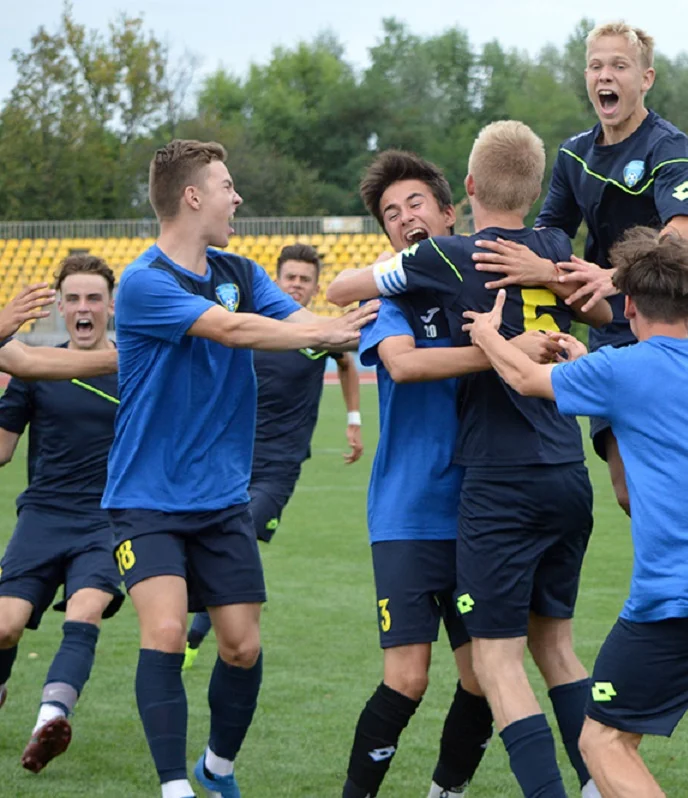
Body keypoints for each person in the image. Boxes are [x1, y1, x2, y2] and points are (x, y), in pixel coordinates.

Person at [464, 227, 688, 798]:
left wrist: (487, 334)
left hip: (678, 599)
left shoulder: (622, 370)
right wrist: (590, 365)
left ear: (627, 304)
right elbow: (646, 391)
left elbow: (524, 376)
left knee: (602, 742)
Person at [328, 122, 610, 798]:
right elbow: (401, 363)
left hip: (484, 502)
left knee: (488, 673)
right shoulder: (395, 296)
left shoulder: (463, 263)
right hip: (410, 508)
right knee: (410, 678)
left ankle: (445, 790)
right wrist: (508, 345)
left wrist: (510, 334)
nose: (404, 218)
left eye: (416, 204)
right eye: (391, 213)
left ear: (454, 206)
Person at [103, 139, 375, 798]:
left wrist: (346, 326)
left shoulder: (243, 270)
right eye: (227, 185)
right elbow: (232, 331)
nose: (238, 197)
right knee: (167, 631)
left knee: (241, 647)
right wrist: (327, 334)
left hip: (222, 498)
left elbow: (300, 319)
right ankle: (174, 788)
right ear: (193, 196)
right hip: (146, 495)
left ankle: (217, 768)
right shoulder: (144, 283)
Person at [470, 21, 688, 535]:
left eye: (618, 65)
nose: (604, 75)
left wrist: (616, 276)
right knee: (630, 493)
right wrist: (508, 255)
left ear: (646, 79)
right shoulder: (574, 155)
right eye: (595, 66)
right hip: (616, 325)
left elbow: (681, 232)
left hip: (681, 315)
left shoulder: (668, 145)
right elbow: (549, 235)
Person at [183, 242, 364, 669]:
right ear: (277, 280)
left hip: (280, 464)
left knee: (239, 537)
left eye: (305, 280)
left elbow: (347, 364)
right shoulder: (251, 324)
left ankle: (193, 637)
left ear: (316, 286)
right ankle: (198, 625)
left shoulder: (320, 331)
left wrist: (353, 417)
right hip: (229, 456)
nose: (297, 285)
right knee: (217, 542)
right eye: (290, 278)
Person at [0, 255, 124, 775]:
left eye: (93, 297)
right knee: (5, 628)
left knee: (85, 611)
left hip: (107, 521)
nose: (83, 307)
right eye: (72, 298)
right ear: (59, 306)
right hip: (43, 516)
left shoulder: (134, 368)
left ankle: (48, 723)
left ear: (111, 306)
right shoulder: (34, 368)